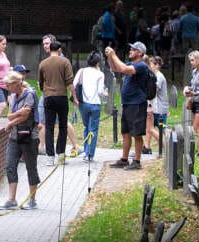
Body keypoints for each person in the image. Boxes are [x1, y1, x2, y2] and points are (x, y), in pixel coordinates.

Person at [104, 41, 151, 170]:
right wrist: (110, 56)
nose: (130, 51)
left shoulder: (142, 65)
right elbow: (116, 68)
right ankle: (124, 159)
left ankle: (137, 161)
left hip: (137, 104)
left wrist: (114, 55)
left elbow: (125, 69)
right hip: (127, 103)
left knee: (137, 134)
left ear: (140, 53)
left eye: (133, 49)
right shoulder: (131, 63)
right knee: (126, 132)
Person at [0, 70, 39, 210]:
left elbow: (25, 116)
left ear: (17, 83)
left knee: (30, 167)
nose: (6, 87)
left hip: (29, 136)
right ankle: (12, 200)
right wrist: (17, 113)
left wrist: (11, 122)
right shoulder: (12, 96)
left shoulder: (30, 94)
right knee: (10, 165)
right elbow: (10, 115)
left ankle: (32, 200)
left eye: (8, 85)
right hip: (14, 136)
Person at [39, 39, 73, 166]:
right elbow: (69, 81)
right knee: (63, 126)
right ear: (59, 50)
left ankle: (50, 157)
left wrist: (45, 90)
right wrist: (74, 97)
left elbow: (41, 82)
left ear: (50, 49)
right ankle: (61, 155)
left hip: (48, 97)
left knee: (49, 127)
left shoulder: (43, 63)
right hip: (62, 96)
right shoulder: (65, 62)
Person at [72, 51, 106, 162]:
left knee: (86, 127)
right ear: (98, 63)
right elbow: (100, 91)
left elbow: (74, 84)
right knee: (94, 129)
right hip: (95, 104)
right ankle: (90, 154)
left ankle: (86, 151)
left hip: (83, 104)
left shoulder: (81, 71)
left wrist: (75, 99)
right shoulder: (100, 74)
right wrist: (105, 93)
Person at [144, 56, 168, 155]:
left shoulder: (159, 76)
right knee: (149, 127)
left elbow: (153, 91)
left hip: (159, 108)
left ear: (157, 65)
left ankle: (169, 148)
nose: (149, 66)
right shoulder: (154, 75)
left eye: (150, 64)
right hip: (154, 106)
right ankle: (147, 147)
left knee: (161, 129)